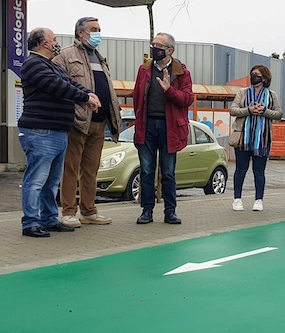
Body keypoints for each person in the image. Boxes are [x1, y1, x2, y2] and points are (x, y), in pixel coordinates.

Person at [18, 28, 101, 237]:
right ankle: (30, 223)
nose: (56, 43)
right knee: (37, 179)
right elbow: (58, 87)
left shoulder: (50, 65)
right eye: (54, 40)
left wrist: (88, 92)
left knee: (51, 182)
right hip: (40, 132)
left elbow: (70, 83)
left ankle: (48, 218)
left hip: (56, 131)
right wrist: (85, 98)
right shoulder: (33, 64)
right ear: (44, 44)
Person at [53, 17, 122, 228]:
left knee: (91, 170)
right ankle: (68, 212)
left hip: (99, 122)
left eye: (99, 29)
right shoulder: (65, 55)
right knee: (71, 169)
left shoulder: (100, 58)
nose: (98, 33)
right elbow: (57, 84)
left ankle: (89, 210)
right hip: (77, 122)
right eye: (94, 29)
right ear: (80, 32)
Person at [132, 32, 193, 225]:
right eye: (153, 45)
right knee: (147, 170)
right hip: (147, 125)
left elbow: (187, 99)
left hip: (170, 128)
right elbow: (136, 97)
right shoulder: (144, 69)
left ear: (170, 50)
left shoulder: (182, 72)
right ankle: (147, 211)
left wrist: (170, 90)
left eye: (159, 45)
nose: (154, 48)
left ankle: (170, 212)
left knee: (168, 172)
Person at [229, 65, 282, 212]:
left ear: (264, 78)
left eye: (257, 75)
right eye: (252, 74)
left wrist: (264, 111)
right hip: (243, 138)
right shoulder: (242, 92)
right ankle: (237, 199)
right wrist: (248, 110)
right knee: (240, 169)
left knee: (259, 172)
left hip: (262, 139)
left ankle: (258, 200)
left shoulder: (272, 95)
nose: (253, 77)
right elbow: (232, 110)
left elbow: (278, 114)